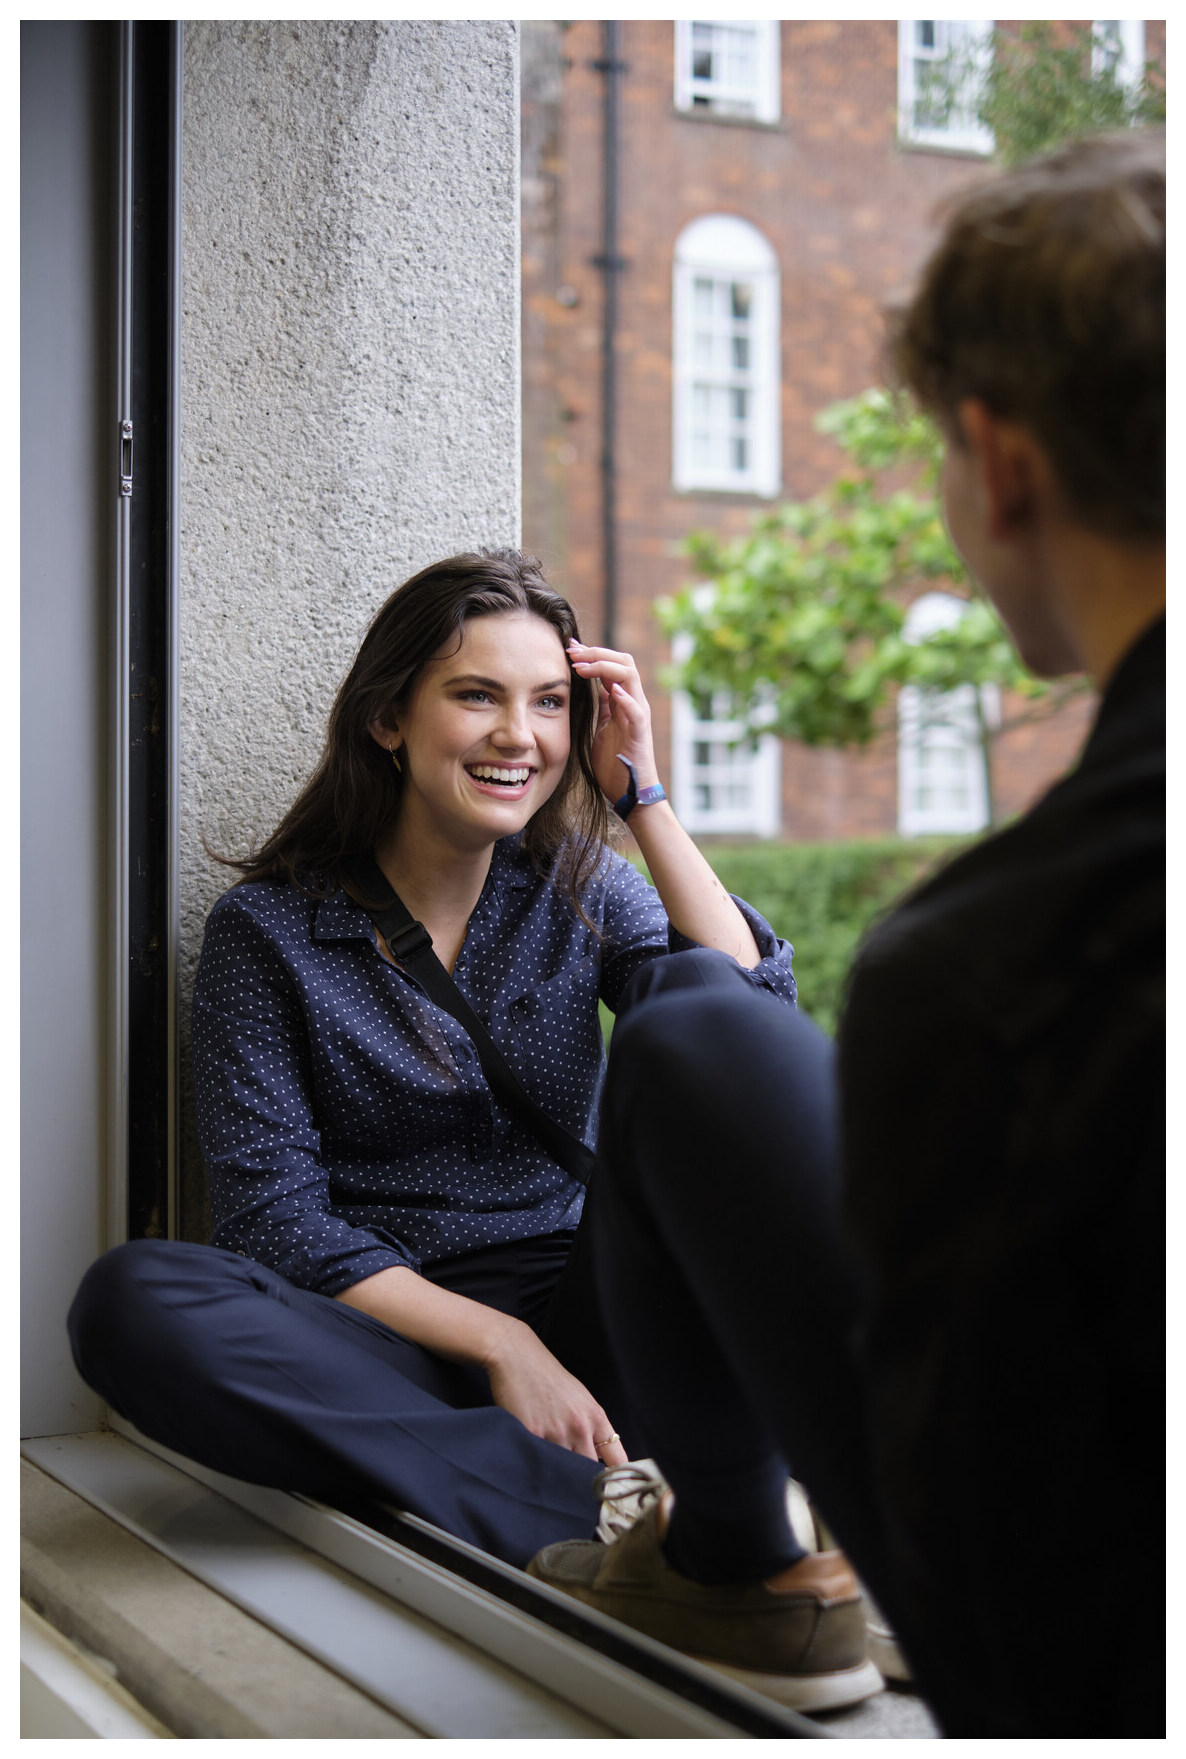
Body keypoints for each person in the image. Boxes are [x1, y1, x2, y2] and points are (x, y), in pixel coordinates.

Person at [527, 131, 1165, 1739]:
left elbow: (1019, 1611)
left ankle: (734, 1562)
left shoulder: (991, 963)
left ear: (997, 461)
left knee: (683, 1033)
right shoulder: (286, 934)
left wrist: (646, 799)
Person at [67, 550, 802, 1577]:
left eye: (549, 702)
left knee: (694, 1003)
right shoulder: (268, 931)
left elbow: (746, 1040)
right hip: (387, 1334)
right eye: (476, 695)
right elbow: (271, 1218)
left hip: (594, 1304)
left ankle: (487, 1483)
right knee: (133, 1301)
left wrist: (640, 792)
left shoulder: (582, 883)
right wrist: (504, 1347)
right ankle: (625, 1516)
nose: (520, 734)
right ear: (388, 719)